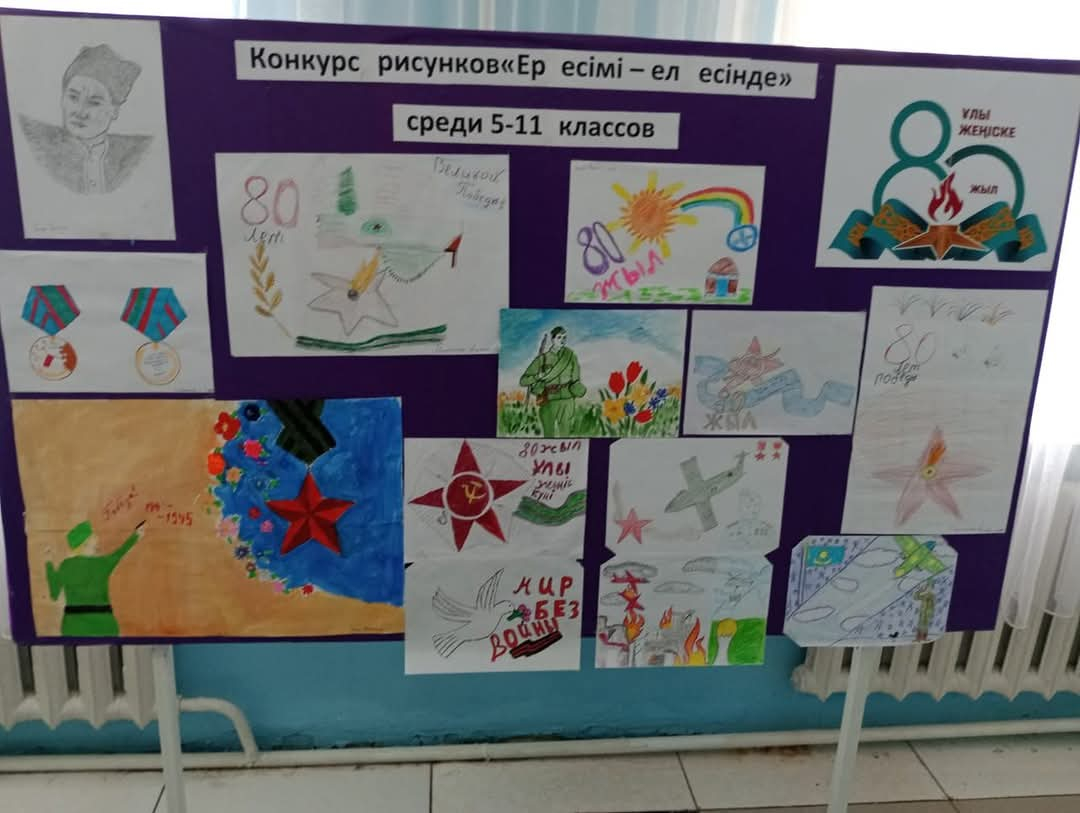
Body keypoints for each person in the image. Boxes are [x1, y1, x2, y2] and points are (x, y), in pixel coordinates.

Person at [19, 44, 150, 195]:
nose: (80, 112)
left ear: (114, 111)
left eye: (94, 103)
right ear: (62, 99)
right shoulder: (34, 146)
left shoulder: (135, 157)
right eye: (73, 97)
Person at [45, 520, 145, 636]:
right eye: (93, 537)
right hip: (104, 626)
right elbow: (120, 552)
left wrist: (49, 564)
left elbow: (54, 594)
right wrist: (136, 535)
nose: (97, 539)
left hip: (73, 626)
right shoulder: (101, 563)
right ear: (85, 544)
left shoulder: (66, 566)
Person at [518, 326, 586, 437]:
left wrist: (578, 390)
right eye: (559, 337)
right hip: (548, 400)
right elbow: (523, 381)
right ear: (552, 339)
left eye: (564, 337)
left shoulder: (570, 356)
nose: (562, 340)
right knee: (548, 434)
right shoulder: (543, 359)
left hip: (567, 400)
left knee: (565, 434)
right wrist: (538, 377)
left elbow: (576, 379)